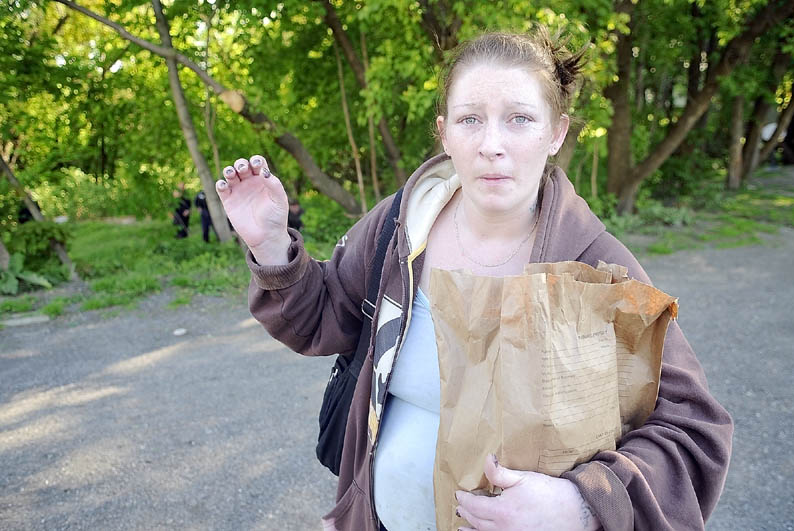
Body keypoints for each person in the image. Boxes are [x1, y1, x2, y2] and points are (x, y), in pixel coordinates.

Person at [215, 28, 733, 531]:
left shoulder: (596, 270)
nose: (491, 144)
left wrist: (581, 504)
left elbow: (693, 432)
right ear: (444, 132)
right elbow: (323, 317)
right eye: (470, 119)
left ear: (556, 133)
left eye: (519, 119)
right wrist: (271, 244)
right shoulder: (400, 228)